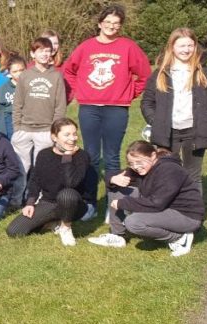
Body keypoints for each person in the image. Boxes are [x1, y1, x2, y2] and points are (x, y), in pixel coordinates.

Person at [62, 4, 151, 198]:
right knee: (91, 156)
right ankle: (90, 201)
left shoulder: (128, 47)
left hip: (116, 109)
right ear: (100, 23)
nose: (112, 26)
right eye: (108, 22)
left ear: (120, 26)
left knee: (112, 157)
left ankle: (113, 204)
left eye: (116, 23)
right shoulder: (86, 46)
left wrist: (129, 93)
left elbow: (145, 75)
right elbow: (69, 70)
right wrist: (79, 90)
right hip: (89, 108)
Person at [88, 141, 205, 257]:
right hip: (165, 207)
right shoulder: (140, 169)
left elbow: (157, 203)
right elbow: (115, 174)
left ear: (153, 155)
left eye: (139, 162)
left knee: (133, 223)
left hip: (186, 215)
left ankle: (179, 238)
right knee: (117, 188)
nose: (135, 167)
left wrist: (123, 203)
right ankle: (117, 236)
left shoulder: (170, 169)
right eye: (131, 163)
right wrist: (113, 179)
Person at [140, 27, 207, 192]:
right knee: (165, 173)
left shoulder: (205, 73)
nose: (186, 50)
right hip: (167, 132)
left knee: (192, 176)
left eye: (190, 45)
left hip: (194, 132)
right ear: (172, 47)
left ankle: (193, 215)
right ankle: (168, 211)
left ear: (195, 47)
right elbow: (147, 102)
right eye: (181, 46)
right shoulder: (161, 73)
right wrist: (156, 121)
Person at [6, 118, 93, 246]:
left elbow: (71, 183)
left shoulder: (82, 156)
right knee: (14, 231)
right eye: (67, 134)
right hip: (49, 202)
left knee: (67, 194)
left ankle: (66, 227)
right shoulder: (44, 155)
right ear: (54, 137)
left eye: (74, 134)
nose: (73, 138)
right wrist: (30, 203)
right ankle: (54, 222)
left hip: (74, 203)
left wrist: (67, 156)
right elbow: (35, 180)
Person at [12, 38, 68, 174]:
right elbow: (18, 103)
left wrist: (53, 130)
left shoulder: (56, 76)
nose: (45, 54)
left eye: (48, 51)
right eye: (41, 51)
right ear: (33, 54)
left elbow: (60, 106)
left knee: (42, 169)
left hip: (46, 130)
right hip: (24, 129)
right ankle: (19, 195)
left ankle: (39, 195)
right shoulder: (25, 75)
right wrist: (17, 127)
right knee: (21, 168)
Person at [0, 56, 26, 138]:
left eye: (21, 70)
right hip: (10, 120)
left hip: (27, 120)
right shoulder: (4, 88)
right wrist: (0, 130)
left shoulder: (31, 85)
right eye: (15, 71)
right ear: (9, 72)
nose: (19, 74)